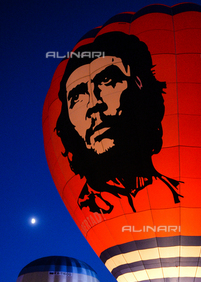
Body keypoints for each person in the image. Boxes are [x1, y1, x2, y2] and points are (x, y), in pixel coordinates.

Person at [55, 31, 182, 215]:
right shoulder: (87, 206)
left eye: (107, 81)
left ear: (139, 86)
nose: (94, 104)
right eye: (77, 97)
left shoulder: (177, 193)